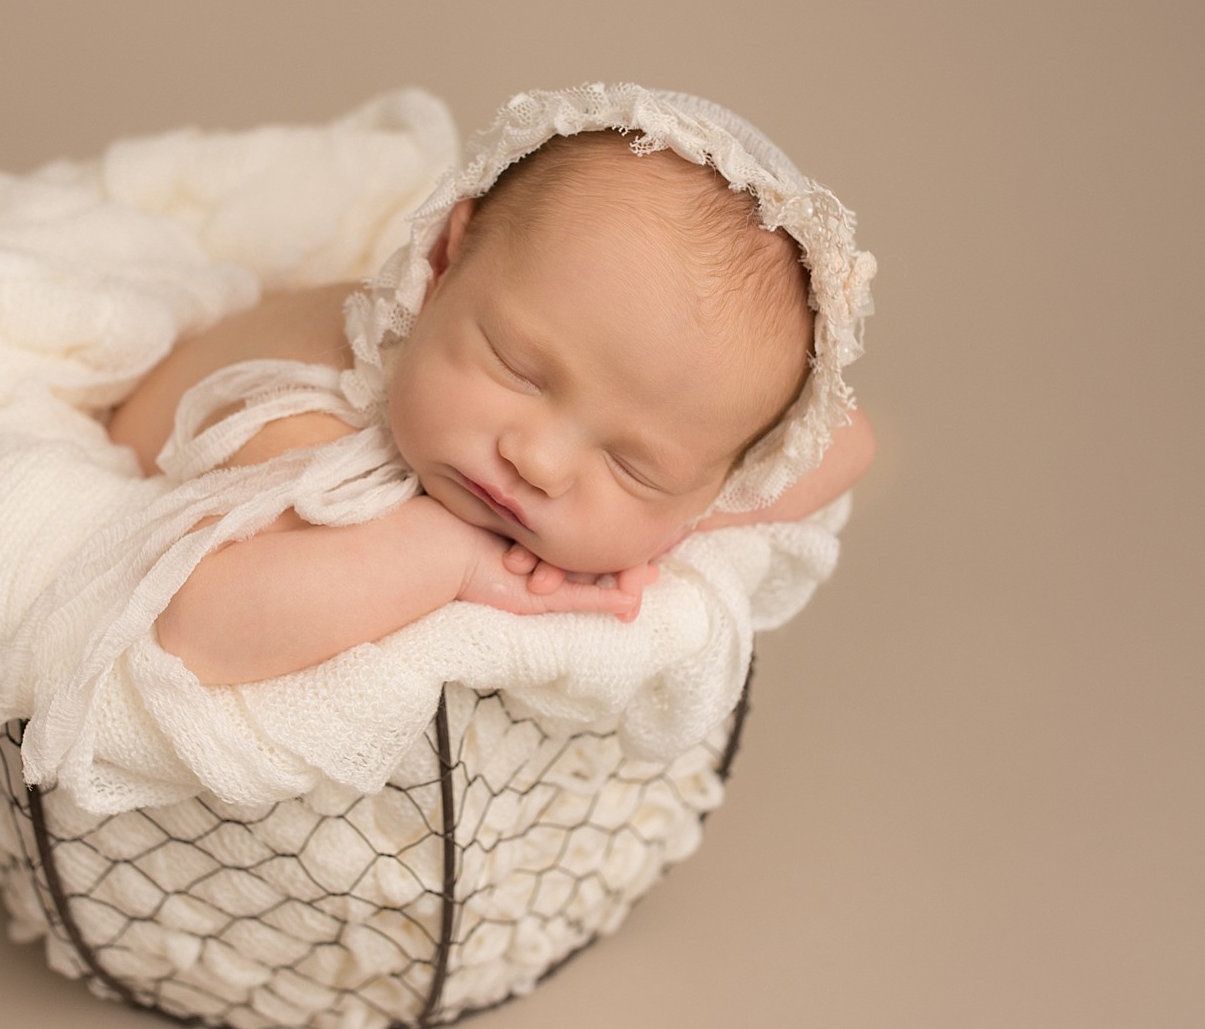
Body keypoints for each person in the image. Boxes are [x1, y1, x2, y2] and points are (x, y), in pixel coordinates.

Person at [107, 125, 875, 687]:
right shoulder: (312, 434)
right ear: (443, 262)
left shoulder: (656, 454)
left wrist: (661, 520)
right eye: (519, 370)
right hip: (132, 451)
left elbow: (850, 439)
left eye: (632, 462)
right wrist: (454, 557)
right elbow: (191, 631)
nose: (537, 461)